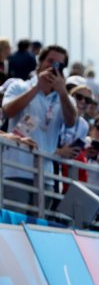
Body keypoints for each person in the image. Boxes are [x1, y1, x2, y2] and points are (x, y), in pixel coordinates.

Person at [0, 44, 78, 208]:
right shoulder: (20, 86)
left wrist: (63, 92)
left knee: (38, 227)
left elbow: (71, 122)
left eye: (59, 65)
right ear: (40, 62)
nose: (53, 67)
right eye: (50, 61)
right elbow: (7, 111)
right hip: (16, 169)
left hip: (45, 175)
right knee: (14, 227)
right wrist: (37, 88)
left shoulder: (64, 97)